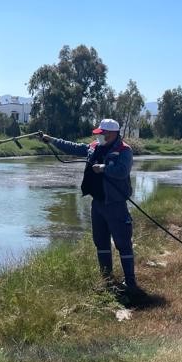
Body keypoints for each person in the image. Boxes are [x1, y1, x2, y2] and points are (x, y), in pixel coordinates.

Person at [41, 118, 138, 293]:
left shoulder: (125, 151)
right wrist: (52, 140)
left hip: (116, 205)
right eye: (99, 133)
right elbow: (73, 147)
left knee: (123, 243)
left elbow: (122, 171)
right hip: (98, 204)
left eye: (103, 133)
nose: (99, 136)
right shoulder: (93, 146)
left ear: (113, 133)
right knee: (100, 242)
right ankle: (107, 279)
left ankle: (130, 283)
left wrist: (104, 168)